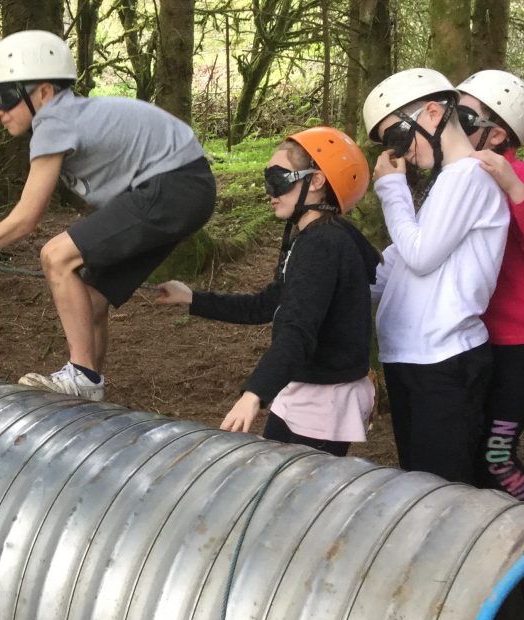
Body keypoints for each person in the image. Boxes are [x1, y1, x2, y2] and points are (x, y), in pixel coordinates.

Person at [0, 30, 216, 401]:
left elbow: (27, 218)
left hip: (174, 186)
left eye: (5, 96)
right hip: (184, 188)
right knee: (89, 300)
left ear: (44, 92)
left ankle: (82, 377)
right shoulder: (72, 116)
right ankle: (89, 391)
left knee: (56, 256)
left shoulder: (54, 121)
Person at [154, 128, 379, 454]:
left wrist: (254, 395)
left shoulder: (322, 245)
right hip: (307, 389)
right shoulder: (316, 237)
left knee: (294, 484)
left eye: (279, 180)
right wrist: (192, 298)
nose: (271, 192)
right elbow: (269, 303)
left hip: (321, 404)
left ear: (316, 181)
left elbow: (298, 329)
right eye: (267, 181)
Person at [364, 68, 509, 484]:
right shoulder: (448, 180)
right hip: (412, 356)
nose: (399, 153)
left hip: (444, 360)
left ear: (432, 113)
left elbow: (421, 254)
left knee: (442, 491)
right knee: (418, 484)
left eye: (397, 137)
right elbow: (400, 259)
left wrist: (391, 190)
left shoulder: (469, 176)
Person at [457, 70, 524, 505]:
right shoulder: (457, 179)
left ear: (496, 135)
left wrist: (513, 186)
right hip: (470, 341)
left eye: (462, 118)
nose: (448, 126)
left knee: (497, 458)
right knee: (468, 455)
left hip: (521, 347)